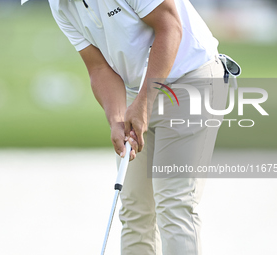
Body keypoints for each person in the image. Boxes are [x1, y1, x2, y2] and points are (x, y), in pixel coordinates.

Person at [24, 0, 231, 254]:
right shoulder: (60, 5)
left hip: (191, 79)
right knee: (135, 211)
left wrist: (143, 103)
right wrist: (117, 119)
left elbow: (170, 27)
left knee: (174, 204)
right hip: (140, 91)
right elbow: (99, 67)